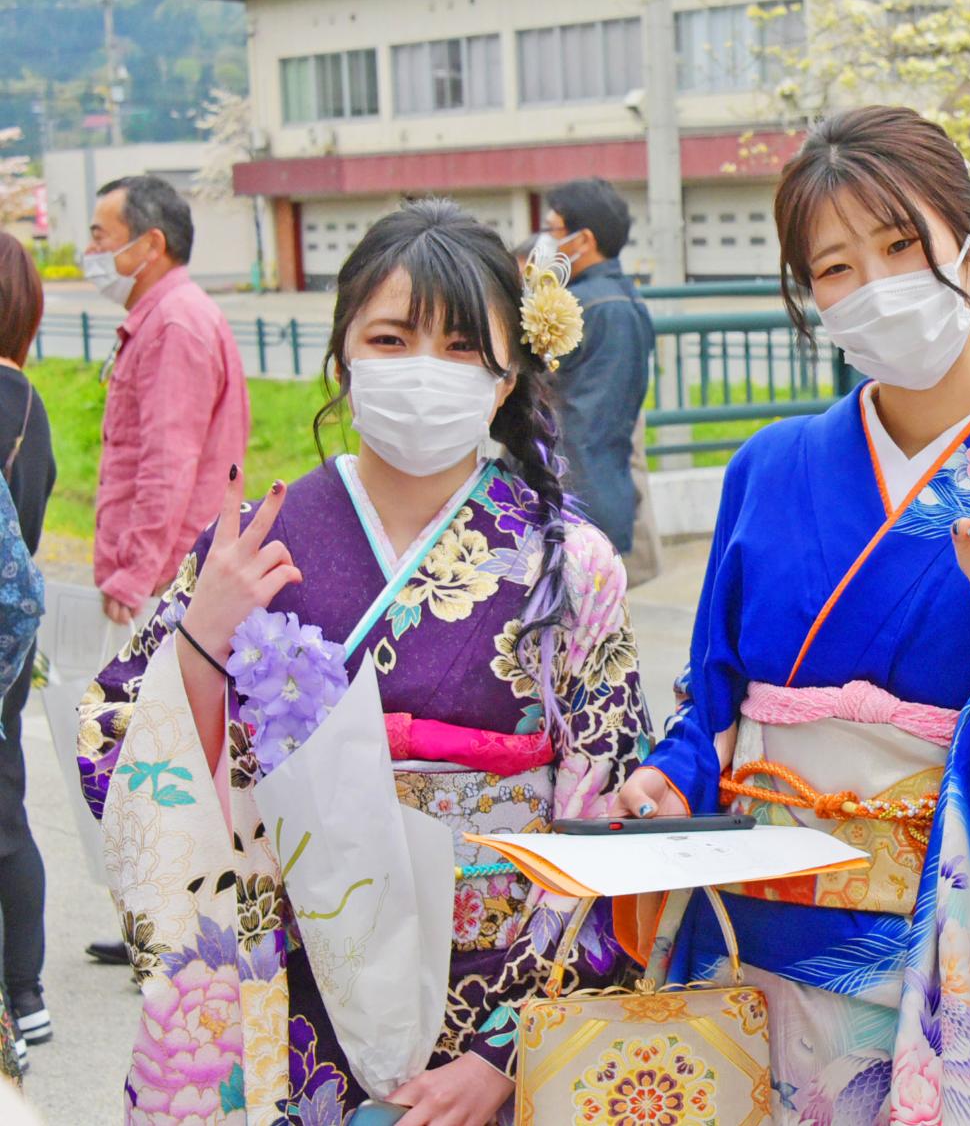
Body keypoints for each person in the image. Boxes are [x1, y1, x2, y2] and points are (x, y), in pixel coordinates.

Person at [612, 106, 970, 1122]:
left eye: (901, 246)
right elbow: (712, 711)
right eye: (833, 269)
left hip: (952, 957)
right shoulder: (765, 470)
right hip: (750, 963)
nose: (872, 286)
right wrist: (663, 783)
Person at [78, 199, 652, 1125]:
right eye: (391, 337)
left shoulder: (569, 565)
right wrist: (202, 637)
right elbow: (118, 750)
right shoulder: (255, 546)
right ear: (344, 354)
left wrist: (510, 1046)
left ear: (509, 375)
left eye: (464, 347)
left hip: (497, 992)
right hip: (296, 982)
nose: (425, 369)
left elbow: (607, 804)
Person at [86, 175, 249, 628]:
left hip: (162, 585)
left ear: (151, 244)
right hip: (166, 577)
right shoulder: (170, 316)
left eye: (100, 237)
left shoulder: (174, 325)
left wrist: (134, 574)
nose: (90, 253)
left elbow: (168, 463)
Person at [539, 179, 655, 564]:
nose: (549, 243)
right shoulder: (626, 298)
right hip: (605, 491)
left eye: (553, 231)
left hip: (574, 497)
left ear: (583, 239)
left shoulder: (578, 307)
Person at [0, 238, 55, 1051]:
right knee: (7, 808)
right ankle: (26, 992)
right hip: (7, 644)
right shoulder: (29, 404)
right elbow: (36, 522)